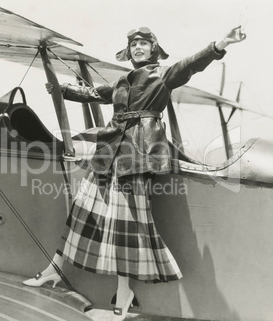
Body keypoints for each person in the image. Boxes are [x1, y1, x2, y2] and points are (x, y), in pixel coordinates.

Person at [24, 26, 246, 320]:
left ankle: (125, 292)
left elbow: (190, 64)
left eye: (143, 43)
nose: (138, 48)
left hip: (137, 158)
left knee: (126, 226)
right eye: (134, 44)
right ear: (128, 51)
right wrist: (60, 89)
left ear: (154, 49)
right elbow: (91, 93)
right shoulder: (121, 82)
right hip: (109, 153)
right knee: (81, 210)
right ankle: (54, 269)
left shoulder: (162, 75)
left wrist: (221, 43)